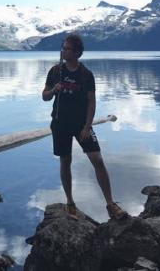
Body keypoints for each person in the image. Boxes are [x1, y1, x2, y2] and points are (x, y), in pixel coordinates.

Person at [42, 33, 127, 219]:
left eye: (67, 48)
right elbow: (44, 96)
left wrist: (87, 126)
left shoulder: (86, 75)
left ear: (78, 53)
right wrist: (53, 90)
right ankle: (70, 203)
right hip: (60, 124)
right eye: (63, 48)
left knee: (97, 160)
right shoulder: (55, 71)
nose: (63, 51)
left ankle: (111, 204)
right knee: (65, 161)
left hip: (82, 124)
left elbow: (91, 102)